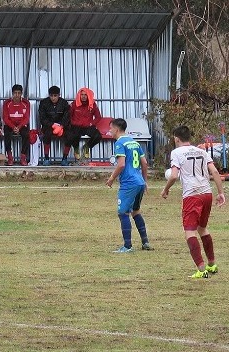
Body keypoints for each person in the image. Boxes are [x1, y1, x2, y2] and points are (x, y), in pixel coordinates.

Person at [161, 125, 226, 278]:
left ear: (176, 138)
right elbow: (215, 172)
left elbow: (174, 175)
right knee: (202, 228)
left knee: (190, 231)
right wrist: (221, 192)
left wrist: (166, 189)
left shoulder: (176, 152)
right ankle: (212, 264)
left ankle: (201, 269)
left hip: (192, 194)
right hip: (207, 193)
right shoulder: (202, 151)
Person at [105, 118, 151, 253]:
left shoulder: (120, 143)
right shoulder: (134, 142)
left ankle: (127, 246)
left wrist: (112, 178)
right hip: (139, 182)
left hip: (129, 183)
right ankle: (145, 242)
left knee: (123, 213)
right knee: (135, 211)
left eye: (110, 128)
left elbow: (121, 164)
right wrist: (145, 181)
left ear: (117, 129)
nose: (109, 131)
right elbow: (145, 163)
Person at [63, 87, 102, 165]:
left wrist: (92, 123)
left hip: (88, 126)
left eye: (85, 95)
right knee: (71, 135)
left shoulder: (92, 104)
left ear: (88, 96)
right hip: (76, 126)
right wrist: (69, 124)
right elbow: (68, 116)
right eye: (82, 95)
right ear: (79, 96)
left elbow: (98, 117)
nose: (83, 96)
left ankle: (86, 146)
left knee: (98, 136)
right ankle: (76, 150)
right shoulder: (74, 104)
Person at [37, 86, 70, 166]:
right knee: (47, 134)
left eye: (55, 96)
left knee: (70, 135)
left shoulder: (64, 103)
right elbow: (42, 118)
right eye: (51, 96)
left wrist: (61, 126)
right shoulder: (43, 103)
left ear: (59, 95)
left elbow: (67, 117)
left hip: (61, 126)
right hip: (49, 125)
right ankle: (46, 158)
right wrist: (52, 125)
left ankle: (64, 158)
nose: (53, 98)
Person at [2, 84, 30, 166]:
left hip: (21, 125)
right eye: (15, 93)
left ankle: (23, 157)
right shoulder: (7, 103)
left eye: (19, 93)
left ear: (21, 93)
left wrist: (19, 127)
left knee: (26, 134)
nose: (17, 95)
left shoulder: (26, 103)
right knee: (6, 134)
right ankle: (10, 157)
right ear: (12, 93)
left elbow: (26, 118)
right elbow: (5, 118)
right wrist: (13, 127)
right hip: (10, 125)